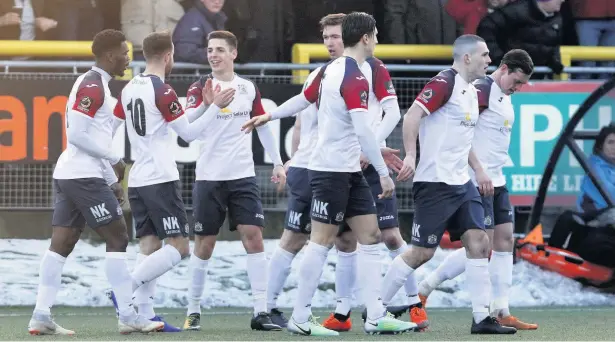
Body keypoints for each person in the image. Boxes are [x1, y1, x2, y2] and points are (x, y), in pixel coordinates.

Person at [243, 12, 416, 336]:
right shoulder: (352, 76)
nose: (377, 39)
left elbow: (303, 99)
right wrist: (383, 172)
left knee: (371, 237)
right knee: (320, 242)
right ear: (365, 38)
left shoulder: (333, 71)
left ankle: (376, 316)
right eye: (375, 34)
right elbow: (364, 131)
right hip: (330, 171)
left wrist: (270, 115)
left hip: (346, 170)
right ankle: (300, 315)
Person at [28, 29, 165, 335]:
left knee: (61, 245)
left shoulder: (97, 83)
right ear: (109, 55)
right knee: (118, 237)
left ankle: (40, 314)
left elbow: (89, 137)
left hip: (72, 174)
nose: (128, 58)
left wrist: (110, 177)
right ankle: (128, 314)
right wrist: (114, 160)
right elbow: (77, 135)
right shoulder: (93, 85)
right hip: (81, 176)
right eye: (124, 53)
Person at [383, 34, 516, 334]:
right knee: (421, 253)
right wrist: (411, 155)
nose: (489, 60)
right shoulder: (445, 82)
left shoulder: (471, 90)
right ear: (467, 57)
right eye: (484, 55)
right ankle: (377, 309)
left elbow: (464, 140)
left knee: (480, 243)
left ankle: (482, 318)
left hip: (461, 184)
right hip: (435, 183)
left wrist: (480, 170)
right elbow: (412, 115)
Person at [107, 31, 234, 332]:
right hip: (160, 177)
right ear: (168, 55)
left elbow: (123, 125)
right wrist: (215, 106)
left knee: (149, 245)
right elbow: (188, 135)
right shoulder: (162, 90)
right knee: (179, 247)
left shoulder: (128, 88)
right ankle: (125, 290)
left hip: (138, 178)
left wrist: (203, 106)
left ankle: (143, 316)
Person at [416, 49, 538, 330]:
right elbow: (463, 131)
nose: (517, 88)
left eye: (522, 85)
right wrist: (478, 170)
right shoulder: (481, 90)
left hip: (497, 179)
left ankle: (502, 310)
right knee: (481, 246)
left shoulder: (506, 96)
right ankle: (425, 288)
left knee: (505, 240)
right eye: (516, 82)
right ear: (504, 69)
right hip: (475, 179)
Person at [181, 30, 286, 332]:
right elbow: (189, 127)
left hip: (242, 175)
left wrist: (278, 162)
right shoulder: (200, 86)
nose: (213, 55)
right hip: (209, 178)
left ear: (233, 54)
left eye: (219, 50)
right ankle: (194, 309)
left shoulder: (247, 88)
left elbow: (262, 125)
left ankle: (261, 311)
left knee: (253, 235)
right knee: (205, 244)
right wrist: (207, 104)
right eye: (210, 50)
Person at [577, 123, 615, 213]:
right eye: (611, 142)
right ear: (601, 145)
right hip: (597, 221)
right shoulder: (594, 168)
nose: (614, 147)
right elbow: (610, 196)